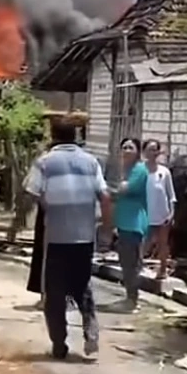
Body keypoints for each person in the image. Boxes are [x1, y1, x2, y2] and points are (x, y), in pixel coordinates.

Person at [25, 117, 112, 360]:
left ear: (53, 135)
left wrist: (16, 223)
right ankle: (91, 334)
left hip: (55, 239)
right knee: (83, 288)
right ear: (75, 136)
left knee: (54, 295)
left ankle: (59, 344)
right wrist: (106, 228)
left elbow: (30, 194)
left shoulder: (45, 162)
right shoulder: (90, 162)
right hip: (84, 238)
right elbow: (105, 197)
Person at [113, 137, 149, 310]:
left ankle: (132, 300)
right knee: (126, 263)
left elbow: (126, 189)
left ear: (137, 152)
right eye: (124, 147)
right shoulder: (125, 170)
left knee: (131, 264)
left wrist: (118, 187)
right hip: (124, 223)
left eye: (130, 148)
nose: (126, 151)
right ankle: (130, 297)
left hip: (134, 223)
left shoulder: (140, 170)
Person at [143, 138, 176, 279]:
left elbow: (171, 195)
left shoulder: (164, 172)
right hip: (144, 214)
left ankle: (162, 270)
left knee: (163, 243)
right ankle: (137, 268)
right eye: (150, 149)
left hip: (162, 214)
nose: (153, 153)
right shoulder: (139, 171)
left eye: (155, 149)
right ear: (144, 152)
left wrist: (172, 213)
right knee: (143, 243)